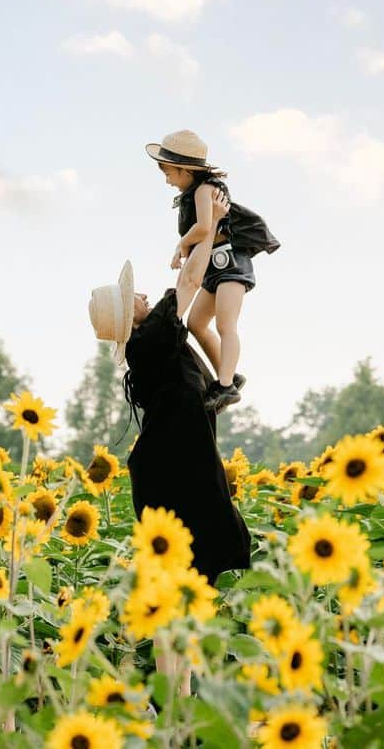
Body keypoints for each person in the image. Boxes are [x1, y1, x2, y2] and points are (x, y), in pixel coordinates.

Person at [88, 254, 251, 696]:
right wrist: (209, 222)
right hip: (174, 471)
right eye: (132, 298)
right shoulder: (153, 337)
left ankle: (178, 693)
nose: (141, 294)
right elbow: (192, 278)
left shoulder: (152, 344)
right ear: (130, 319)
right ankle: (175, 694)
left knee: (190, 583)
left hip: (181, 466)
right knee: (180, 582)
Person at [145, 129, 280, 414]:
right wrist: (182, 248)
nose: (167, 180)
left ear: (186, 170)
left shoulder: (206, 190)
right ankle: (227, 374)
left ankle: (225, 385)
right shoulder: (192, 194)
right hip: (211, 268)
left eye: (169, 173)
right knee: (196, 323)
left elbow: (206, 227)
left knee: (225, 325)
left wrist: (181, 243)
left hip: (230, 264)